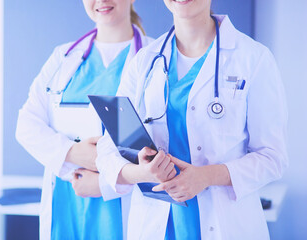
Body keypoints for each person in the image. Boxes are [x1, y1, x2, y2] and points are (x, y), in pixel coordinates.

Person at [96, 0, 288, 239]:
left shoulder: (253, 58)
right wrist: (142, 172)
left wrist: (206, 176)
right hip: (156, 226)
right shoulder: (145, 61)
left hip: (225, 226)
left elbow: (272, 158)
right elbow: (108, 148)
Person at [15, 0, 153, 239]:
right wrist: (73, 152)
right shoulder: (63, 57)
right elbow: (26, 126)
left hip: (122, 202)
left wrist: (105, 184)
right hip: (66, 201)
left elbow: (161, 148)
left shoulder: (154, 57)